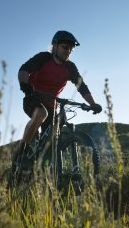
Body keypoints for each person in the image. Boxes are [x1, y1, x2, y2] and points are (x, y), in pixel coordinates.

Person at [14, 30, 102, 166]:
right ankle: (22, 152)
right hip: (33, 98)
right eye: (65, 47)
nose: (68, 51)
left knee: (53, 140)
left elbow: (81, 86)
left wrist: (93, 103)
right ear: (54, 46)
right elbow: (24, 70)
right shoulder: (43, 58)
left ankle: (46, 171)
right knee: (41, 113)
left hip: (51, 104)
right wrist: (25, 86)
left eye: (71, 49)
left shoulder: (70, 67)